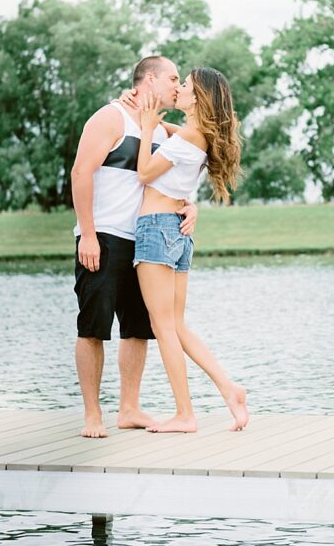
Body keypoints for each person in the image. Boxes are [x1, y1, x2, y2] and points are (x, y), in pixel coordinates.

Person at [71, 55, 197, 438]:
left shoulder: (159, 129)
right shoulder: (110, 117)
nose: (178, 86)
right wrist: (88, 234)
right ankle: (93, 414)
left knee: (138, 330)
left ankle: (129, 408)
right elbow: (80, 172)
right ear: (150, 80)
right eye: (173, 78)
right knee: (94, 327)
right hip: (105, 236)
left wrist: (192, 206)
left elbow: (178, 177)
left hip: (147, 240)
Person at [132, 66, 248, 434]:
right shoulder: (196, 136)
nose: (179, 88)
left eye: (184, 85)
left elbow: (145, 174)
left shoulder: (187, 137)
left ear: (197, 97)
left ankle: (185, 415)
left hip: (156, 228)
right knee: (176, 325)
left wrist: (148, 127)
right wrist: (157, 122)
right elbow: (174, 138)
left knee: (162, 326)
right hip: (178, 234)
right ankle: (229, 389)